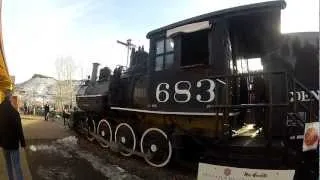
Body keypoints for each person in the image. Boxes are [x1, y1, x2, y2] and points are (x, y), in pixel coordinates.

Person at [0, 92, 26, 180]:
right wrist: (23, 143)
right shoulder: (14, 112)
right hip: (13, 144)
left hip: (4, 143)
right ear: (10, 98)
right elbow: (19, 129)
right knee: (17, 165)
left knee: (8, 165)